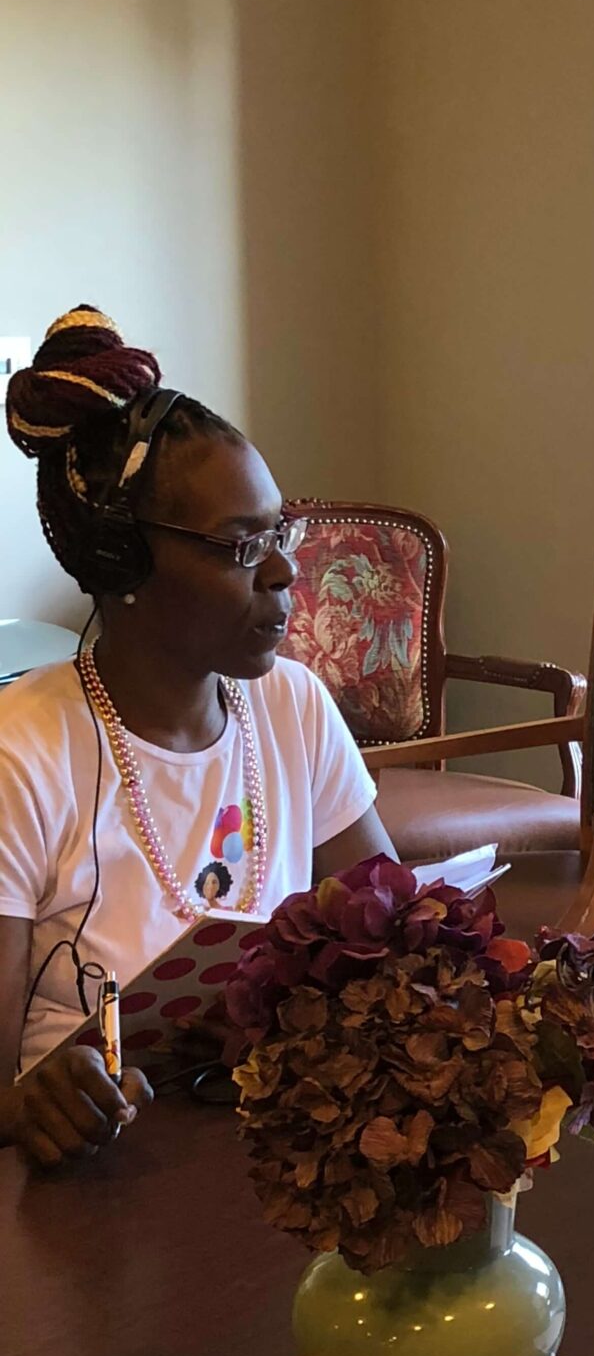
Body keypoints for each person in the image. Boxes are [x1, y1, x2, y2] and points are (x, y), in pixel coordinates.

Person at [0, 307, 393, 1166]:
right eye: (240, 546)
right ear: (120, 561)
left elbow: (392, 934)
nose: (287, 571)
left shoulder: (292, 705)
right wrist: (35, 1102)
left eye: (277, 533)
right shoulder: (20, 755)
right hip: (89, 1195)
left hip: (272, 1151)